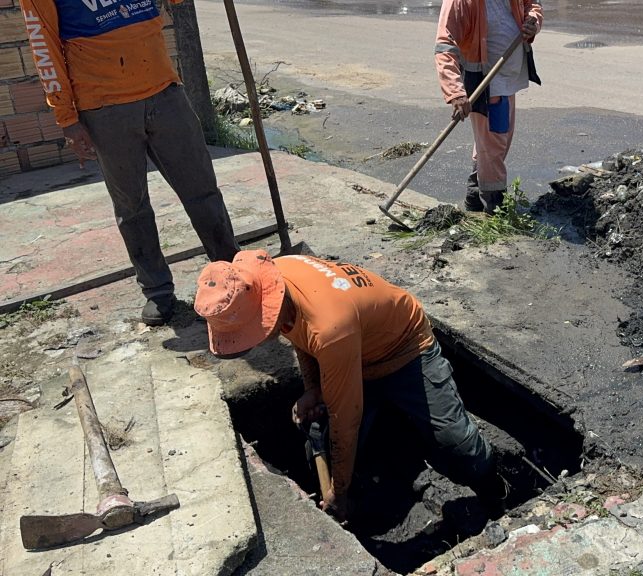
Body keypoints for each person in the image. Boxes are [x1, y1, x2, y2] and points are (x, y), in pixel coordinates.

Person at [194, 250, 503, 519]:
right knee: (322, 438)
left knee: (455, 442)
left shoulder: (330, 326)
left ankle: (496, 494)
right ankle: (369, 487)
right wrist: (313, 389)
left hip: (404, 349)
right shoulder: (273, 279)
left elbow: (345, 420)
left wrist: (338, 492)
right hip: (351, 351)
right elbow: (300, 334)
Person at [21, 0, 239, 325]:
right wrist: (67, 118)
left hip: (165, 91)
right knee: (132, 207)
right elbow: (44, 46)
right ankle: (157, 291)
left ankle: (233, 272)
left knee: (202, 190)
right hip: (103, 107)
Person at [434, 0, 543, 214]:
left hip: (508, 79)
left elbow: (532, 4)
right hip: (486, 82)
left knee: (493, 142)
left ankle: (474, 196)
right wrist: (455, 92)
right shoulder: (460, 2)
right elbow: (445, 45)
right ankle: (495, 206)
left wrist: (533, 22)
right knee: (494, 145)